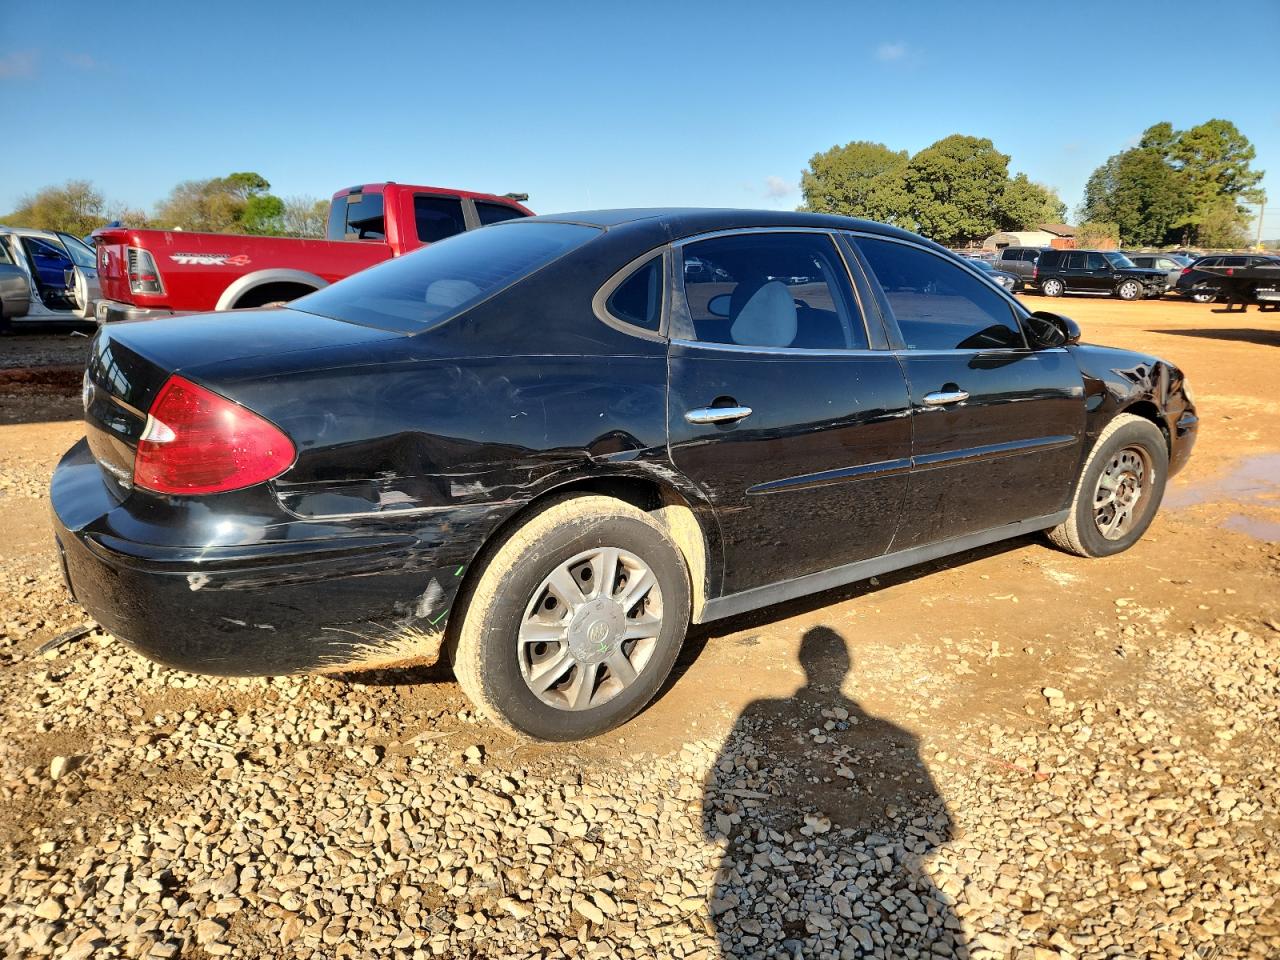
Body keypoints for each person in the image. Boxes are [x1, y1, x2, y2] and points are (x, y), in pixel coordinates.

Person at [703, 626, 963, 958]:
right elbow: (941, 831)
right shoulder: (892, 735)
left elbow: (712, 819)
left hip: (740, 879)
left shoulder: (758, 710)